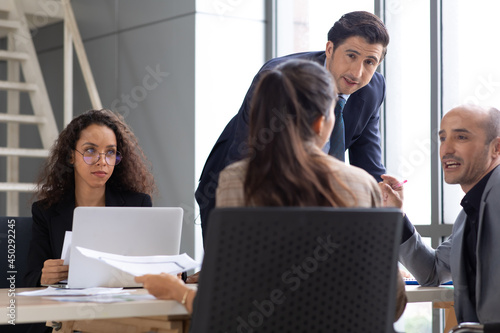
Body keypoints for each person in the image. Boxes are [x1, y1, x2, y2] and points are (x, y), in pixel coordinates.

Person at [138, 59, 406, 322]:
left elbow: (227, 307)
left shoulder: (238, 180)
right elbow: (392, 305)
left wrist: (179, 292)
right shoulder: (362, 185)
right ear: (321, 123)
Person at [195, 10, 390, 240]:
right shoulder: (280, 78)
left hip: (317, 186)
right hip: (244, 174)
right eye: (351, 55)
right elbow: (247, 161)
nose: (358, 72)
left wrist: (386, 236)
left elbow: (369, 167)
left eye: (370, 62)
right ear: (330, 49)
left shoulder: (373, 88)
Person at [380, 105, 500, 323]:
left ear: (497, 148)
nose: (446, 149)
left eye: (461, 137)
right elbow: (432, 273)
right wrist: (396, 215)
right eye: (443, 138)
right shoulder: (468, 215)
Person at [25, 109, 156, 288]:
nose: (102, 161)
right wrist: (44, 276)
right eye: (90, 150)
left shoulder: (138, 204)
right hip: (69, 310)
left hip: (125, 307)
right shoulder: (46, 211)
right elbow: (29, 277)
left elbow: (162, 260)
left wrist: (172, 272)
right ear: (71, 156)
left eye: (110, 152)